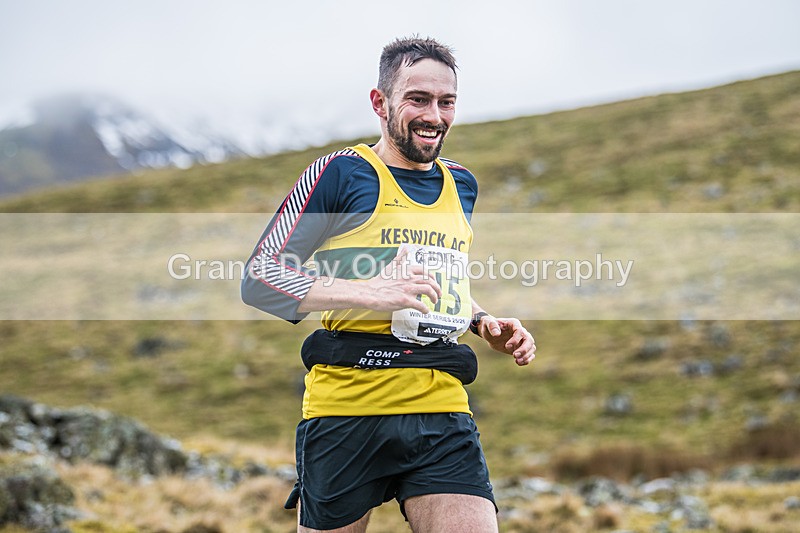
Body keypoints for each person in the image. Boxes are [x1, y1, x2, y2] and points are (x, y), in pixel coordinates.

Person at [242, 36, 536, 533]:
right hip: (345, 411)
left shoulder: (462, 184)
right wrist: (367, 291)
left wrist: (482, 321)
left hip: (439, 406)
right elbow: (260, 278)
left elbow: (435, 286)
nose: (434, 116)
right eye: (417, 99)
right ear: (380, 102)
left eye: (447, 102)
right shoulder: (341, 174)